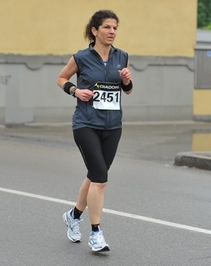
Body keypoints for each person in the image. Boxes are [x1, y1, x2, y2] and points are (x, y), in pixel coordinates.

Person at [57, 9, 133, 252]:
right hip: (86, 124)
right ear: (94, 30)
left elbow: (128, 90)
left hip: (113, 126)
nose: (112, 32)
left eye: (115, 28)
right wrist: (75, 91)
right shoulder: (81, 57)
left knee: (94, 176)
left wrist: (127, 80)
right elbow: (61, 78)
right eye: (107, 27)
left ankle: (73, 215)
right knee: (100, 178)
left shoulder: (122, 56)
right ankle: (96, 234)